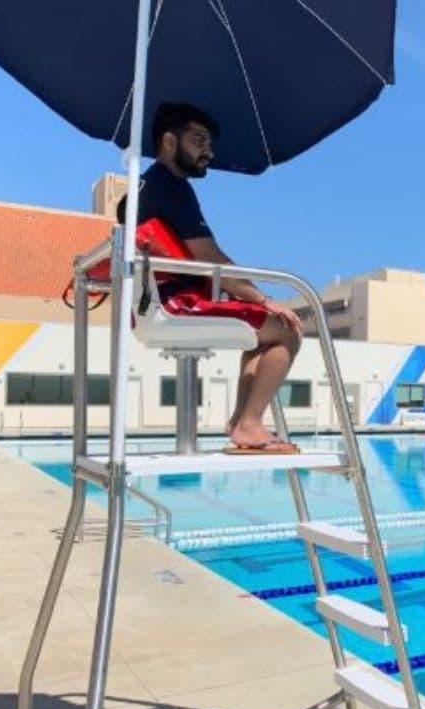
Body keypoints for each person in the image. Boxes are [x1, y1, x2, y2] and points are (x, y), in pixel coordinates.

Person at [118, 102, 303, 454]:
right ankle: (247, 423)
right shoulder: (173, 187)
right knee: (289, 329)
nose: (209, 152)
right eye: (199, 141)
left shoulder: (143, 187)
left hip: (152, 304)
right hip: (176, 303)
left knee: (261, 337)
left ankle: (242, 422)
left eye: (209, 145)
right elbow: (210, 258)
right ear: (170, 143)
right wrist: (264, 299)